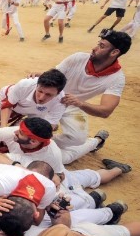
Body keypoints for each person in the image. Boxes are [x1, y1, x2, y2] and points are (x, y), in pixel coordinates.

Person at [53, 30, 131, 164]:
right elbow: (53, 77)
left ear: (114, 52)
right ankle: (41, 138)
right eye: (98, 44)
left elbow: (106, 111)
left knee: (77, 139)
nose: (94, 48)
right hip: (52, 99)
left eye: (101, 46)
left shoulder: (117, 78)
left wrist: (80, 104)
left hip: (73, 106)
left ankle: (95, 141)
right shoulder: (78, 58)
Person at [0, 69, 67, 133]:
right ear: (37, 85)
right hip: (7, 101)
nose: (41, 97)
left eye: (48, 94)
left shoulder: (61, 101)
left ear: (58, 93)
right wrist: (2, 131)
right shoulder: (24, 85)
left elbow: (48, 126)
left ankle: (20, 121)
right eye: (40, 91)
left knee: (21, 135)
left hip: (34, 112)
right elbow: (7, 105)